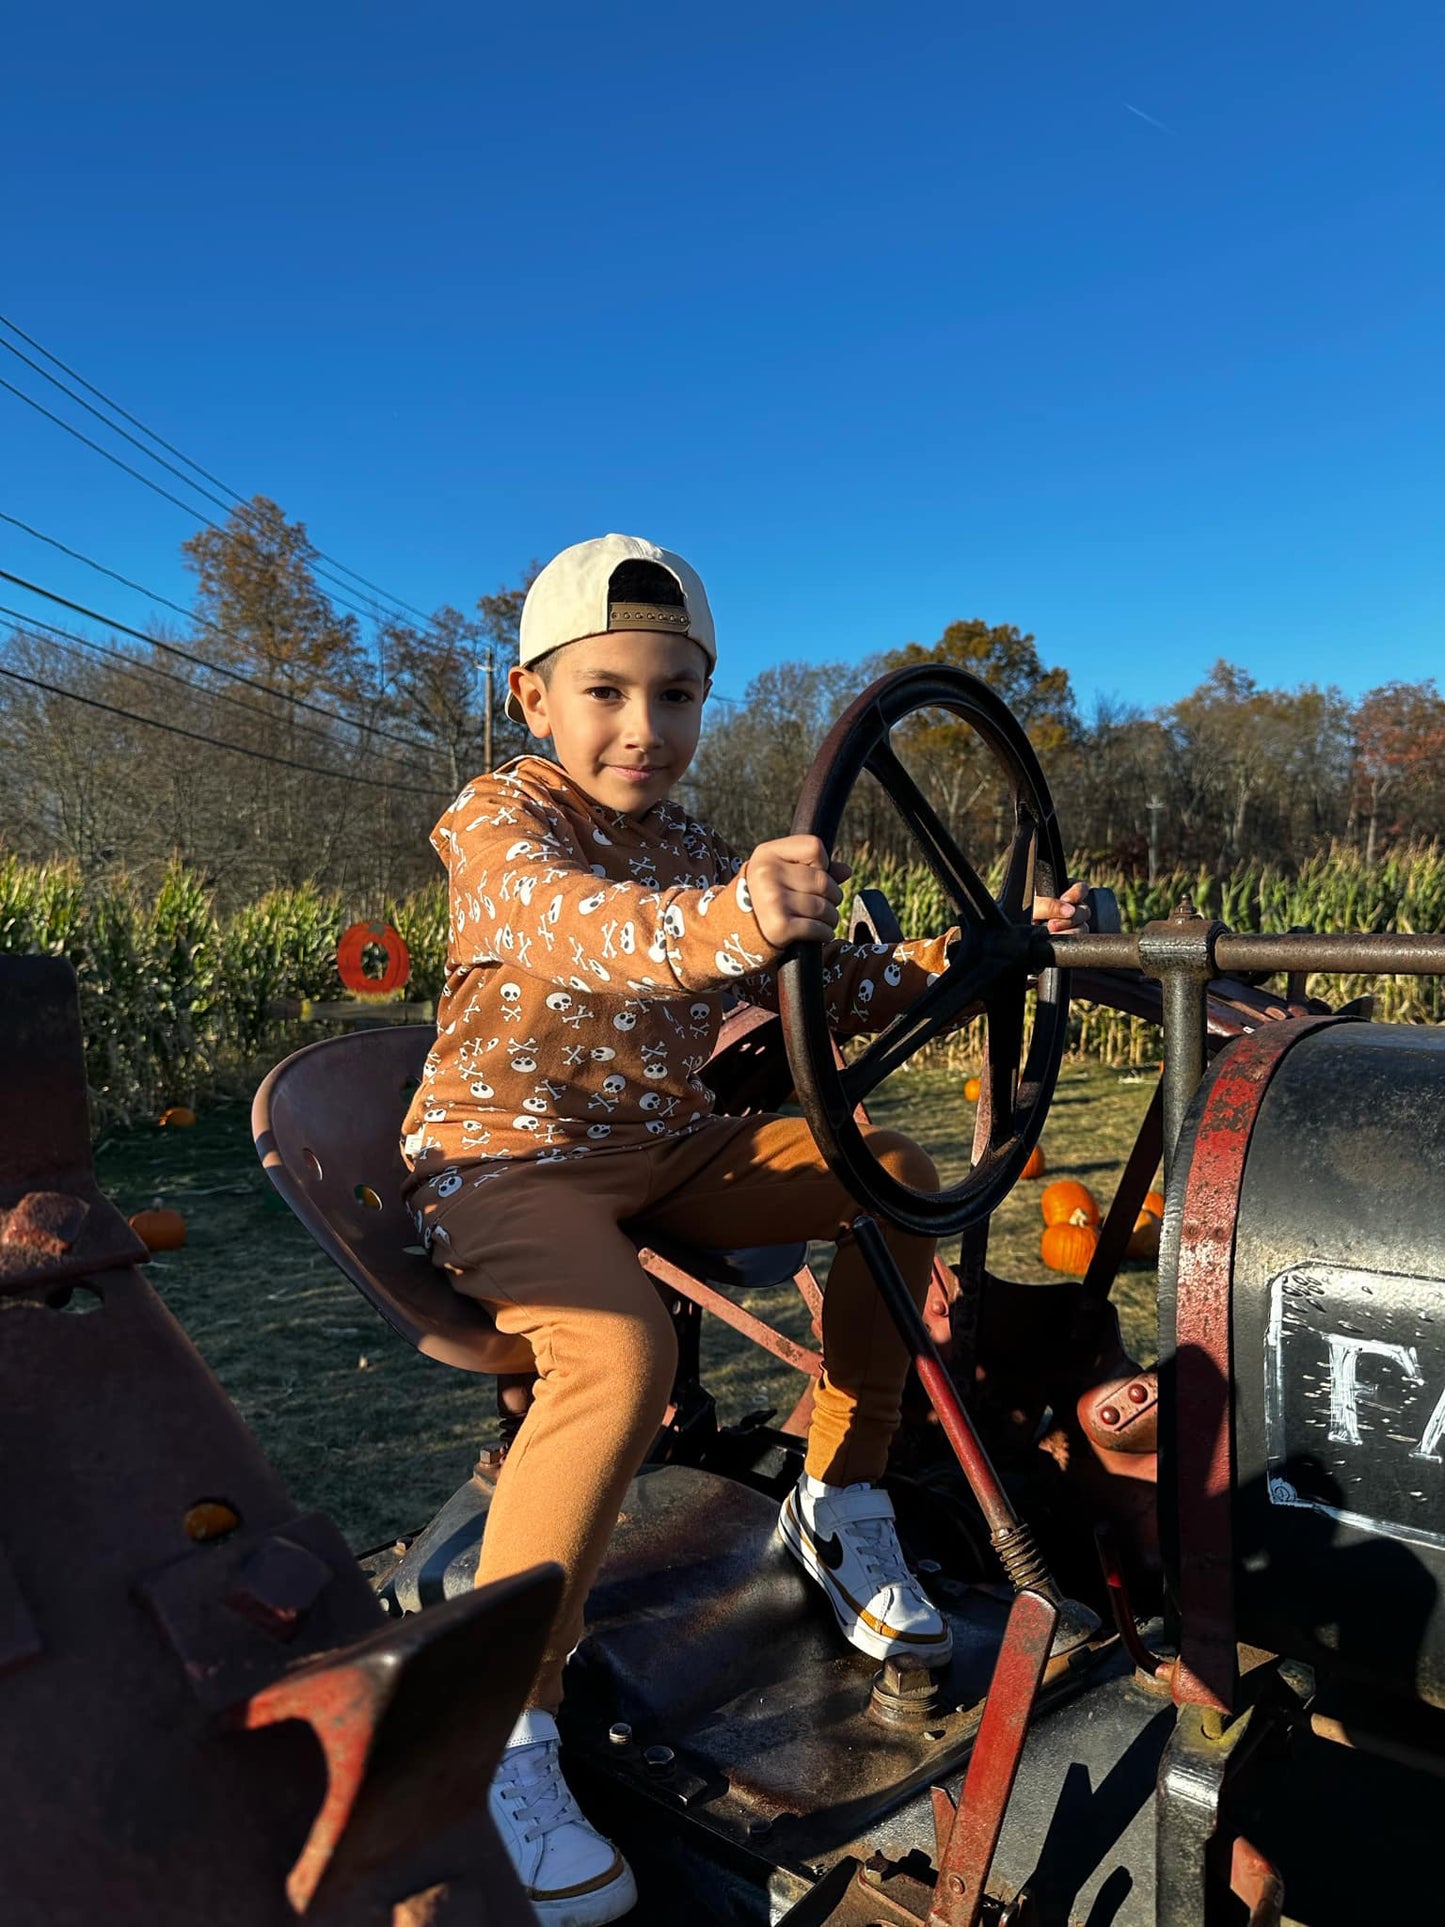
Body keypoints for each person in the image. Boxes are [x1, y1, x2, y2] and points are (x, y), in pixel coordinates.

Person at [400, 534, 1088, 1926]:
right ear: (534, 699)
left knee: (882, 1166)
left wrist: (984, 946)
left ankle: (840, 1495)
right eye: (603, 692)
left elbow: (820, 987)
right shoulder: (496, 822)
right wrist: (723, 918)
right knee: (615, 1352)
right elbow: (575, 930)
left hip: (663, 1150)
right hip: (503, 1164)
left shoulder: (695, 844)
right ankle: (506, 1722)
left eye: (675, 696)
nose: (641, 728)